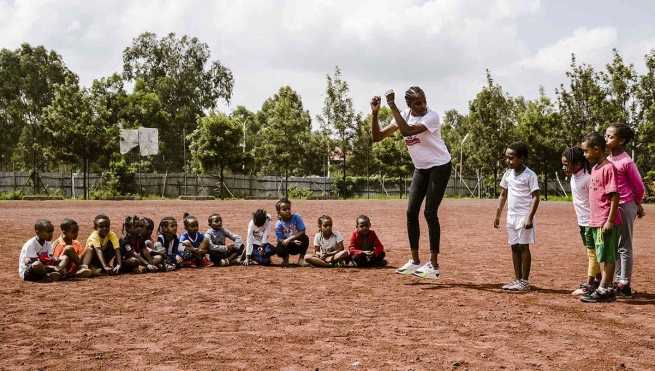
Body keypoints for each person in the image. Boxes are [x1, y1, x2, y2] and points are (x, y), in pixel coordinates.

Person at [371, 87, 452, 279]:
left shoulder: (431, 116)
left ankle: (433, 265)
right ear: (409, 105)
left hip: (440, 166)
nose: (423, 105)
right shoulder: (404, 114)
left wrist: (391, 104)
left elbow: (406, 131)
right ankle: (415, 261)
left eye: (424, 101)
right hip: (421, 168)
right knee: (411, 212)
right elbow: (377, 137)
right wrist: (374, 115)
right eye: (417, 103)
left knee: (430, 213)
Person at [580, 131, 622, 303]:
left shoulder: (608, 168)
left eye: (585, 151)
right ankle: (605, 288)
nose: (584, 154)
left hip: (606, 221)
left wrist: (610, 220)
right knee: (601, 255)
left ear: (596, 149)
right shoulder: (595, 168)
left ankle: (605, 289)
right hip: (596, 221)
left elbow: (614, 196)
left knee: (608, 256)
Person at [606, 123, 646, 299]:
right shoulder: (608, 160)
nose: (606, 139)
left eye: (610, 137)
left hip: (625, 205)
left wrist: (636, 203)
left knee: (625, 245)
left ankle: (625, 283)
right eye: (606, 136)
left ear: (621, 141)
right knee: (614, 245)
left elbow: (639, 186)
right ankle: (617, 280)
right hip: (612, 207)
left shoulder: (626, 161)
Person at [494, 141, 540, 292]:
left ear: (521, 158)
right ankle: (517, 279)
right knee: (514, 248)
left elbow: (535, 197)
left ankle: (525, 281)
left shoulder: (529, 175)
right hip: (511, 217)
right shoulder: (508, 174)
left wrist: (529, 217)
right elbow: (503, 194)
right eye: (507, 158)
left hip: (524, 216)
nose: (508, 161)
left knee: (523, 247)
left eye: (511, 158)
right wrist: (498, 215)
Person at [562, 147, 601, 295]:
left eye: (566, 164)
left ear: (577, 165)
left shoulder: (587, 179)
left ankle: (589, 285)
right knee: (590, 252)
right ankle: (598, 280)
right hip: (582, 222)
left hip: (590, 222)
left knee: (592, 253)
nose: (563, 167)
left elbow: (596, 201)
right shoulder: (574, 177)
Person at [274, 198, 309, 267]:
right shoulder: (278, 224)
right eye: (284, 209)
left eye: (289, 209)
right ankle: (285, 258)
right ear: (279, 213)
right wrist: (292, 242)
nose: (287, 211)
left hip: (298, 244)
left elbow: (302, 231)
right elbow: (280, 240)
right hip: (287, 245)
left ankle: (301, 259)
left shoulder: (296, 217)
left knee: (305, 238)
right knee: (279, 248)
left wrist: (291, 239)